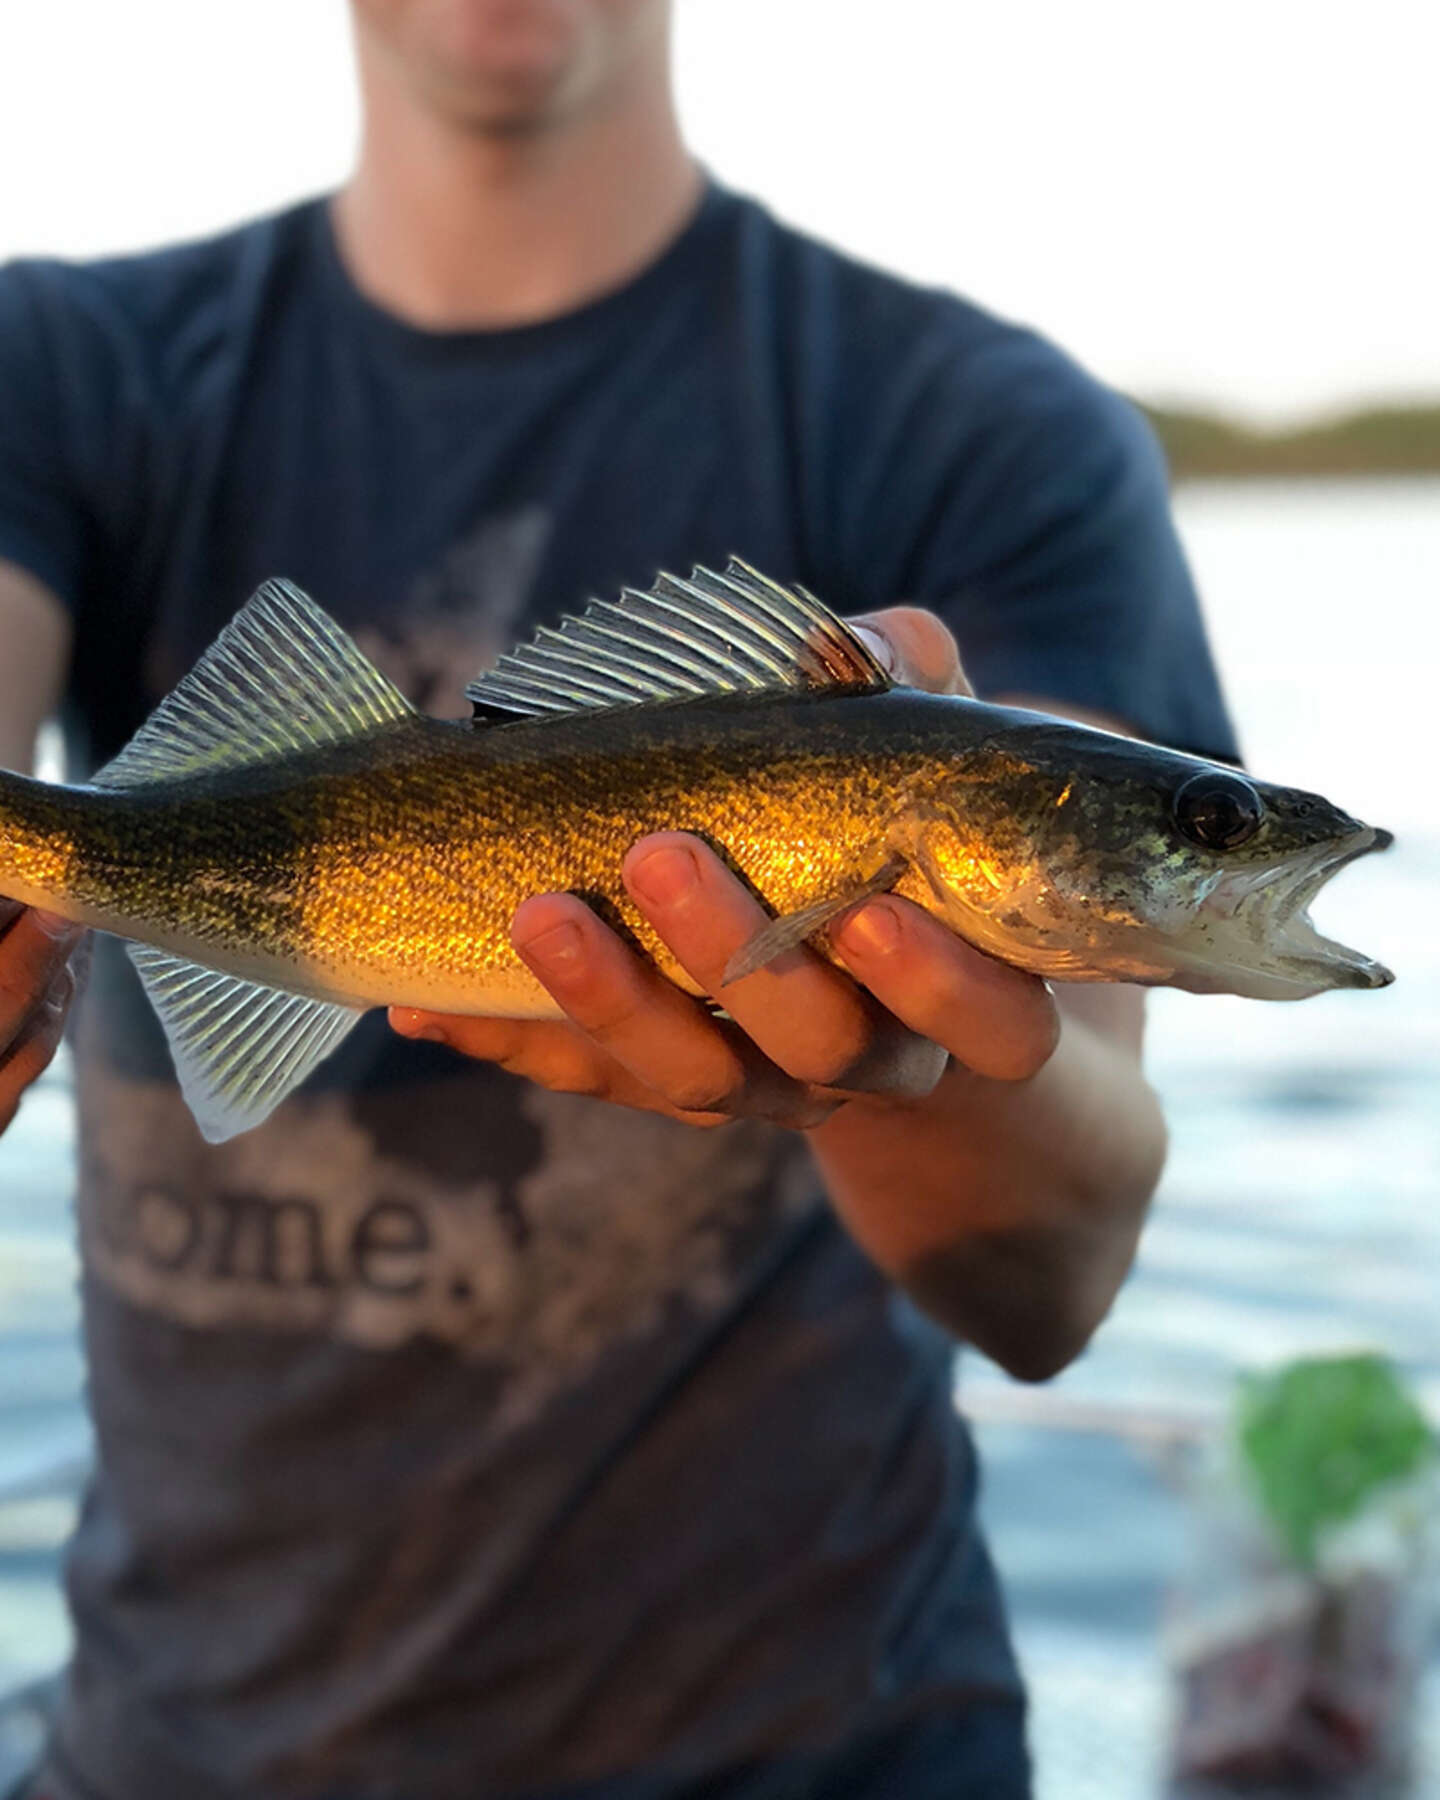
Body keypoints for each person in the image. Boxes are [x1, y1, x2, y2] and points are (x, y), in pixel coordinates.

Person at [0, 2, 1238, 1795]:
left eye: (1200, 833)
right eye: (1201, 832)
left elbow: (1055, 1281)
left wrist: (907, 1065)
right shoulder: (57, 365)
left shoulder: (989, 427)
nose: (1208, 852)